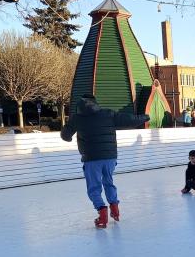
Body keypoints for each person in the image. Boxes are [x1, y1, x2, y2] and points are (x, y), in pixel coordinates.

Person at [61, 94, 149, 228]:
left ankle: (102, 214)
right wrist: (145, 117)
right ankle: (115, 209)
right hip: (110, 157)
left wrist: (68, 133)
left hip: (91, 158)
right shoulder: (108, 114)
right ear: (95, 103)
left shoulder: (77, 118)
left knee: (94, 187)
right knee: (108, 182)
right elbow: (128, 119)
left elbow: (66, 136)